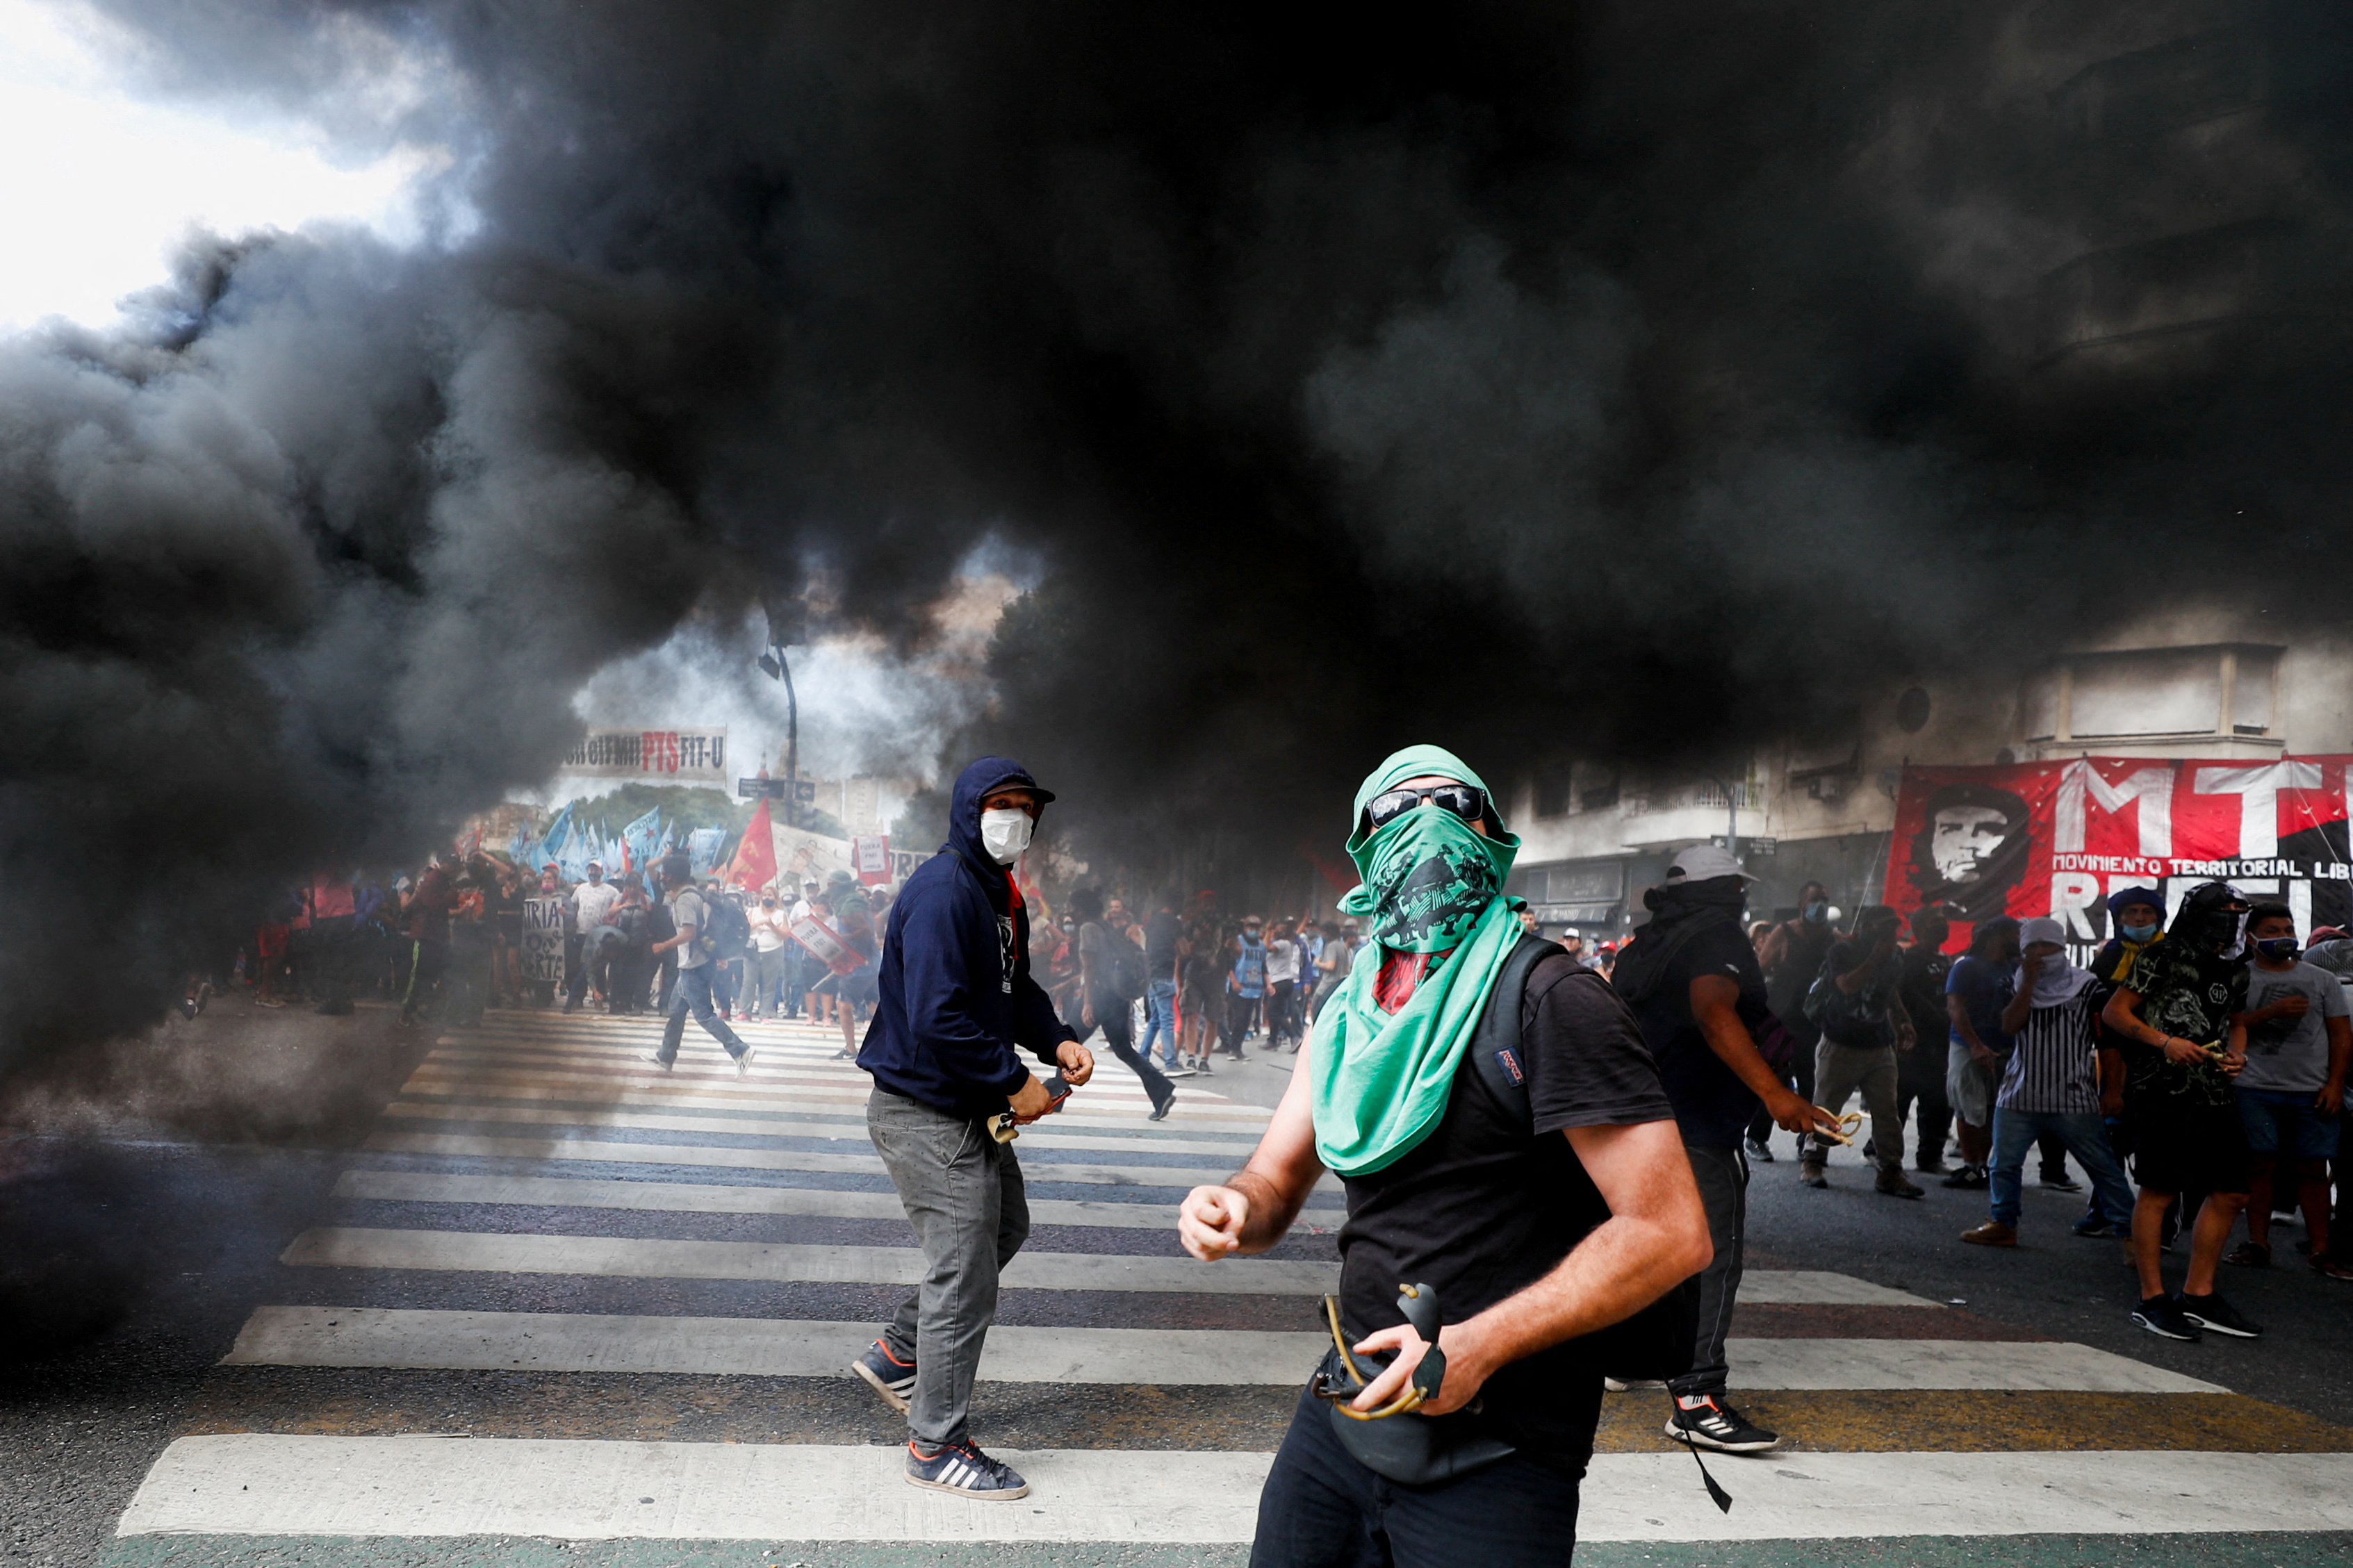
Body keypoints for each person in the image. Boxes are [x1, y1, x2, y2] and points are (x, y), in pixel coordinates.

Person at [1177, 745, 1709, 1566]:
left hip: (1498, 1439)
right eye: (1396, 809)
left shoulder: (1551, 998)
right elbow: (1275, 1177)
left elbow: (1670, 1230)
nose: (1427, 820)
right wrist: (1233, 1208)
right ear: (1363, 852)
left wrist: (1477, 1346)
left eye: (1454, 802)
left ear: (1491, 839)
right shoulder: (1347, 1008)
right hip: (1348, 1403)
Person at [851, 757, 1095, 1501]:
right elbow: (935, 1015)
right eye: (1002, 804)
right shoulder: (943, 892)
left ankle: (899, 1351)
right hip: (927, 1111)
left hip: (965, 1107)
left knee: (1004, 1227)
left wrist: (1054, 1039)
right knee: (963, 1275)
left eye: (1026, 806)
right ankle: (936, 1444)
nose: (1015, 817)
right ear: (968, 810)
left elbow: (1012, 990)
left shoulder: (998, 894)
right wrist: (1015, 1081)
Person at [1615, 844, 1838, 1455]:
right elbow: (1715, 1013)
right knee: (1710, 1254)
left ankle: (1628, 1355)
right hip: (1696, 1125)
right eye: (1737, 889)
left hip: (1637, 1122)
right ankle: (1696, 1398)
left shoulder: (1648, 943)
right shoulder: (1715, 935)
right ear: (1723, 891)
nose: (1742, 898)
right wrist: (1775, 1093)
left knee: (1645, 1243)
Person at [2101, 880, 2261, 1342]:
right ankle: (2152, 1298)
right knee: (2160, 1190)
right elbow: (2116, 1013)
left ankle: (2198, 1293)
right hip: (2161, 1090)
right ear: (2201, 912)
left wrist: (2238, 1054)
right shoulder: (2162, 954)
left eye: (2238, 909)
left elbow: (2237, 1023)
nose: (2232, 916)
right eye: (2225, 908)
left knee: (2232, 1190)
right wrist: (2165, 1041)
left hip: (2214, 1090)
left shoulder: (2236, 968)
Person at [1960, 917, 2136, 1247]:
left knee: (2103, 1169)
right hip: (2018, 1094)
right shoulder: (2012, 983)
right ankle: (2003, 1223)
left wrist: (2113, 1090)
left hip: (2073, 1097)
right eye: (2033, 947)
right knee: (2003, 1165)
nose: (2041, 953)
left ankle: (2131, 1235)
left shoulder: (2088, 987)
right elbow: (2009, 1026)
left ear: (2062, 948)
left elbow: (2108, 1044)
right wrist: (2027, 984)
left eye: (2048, 946)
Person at [2225, 902, 2352, 1277]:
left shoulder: (2322, 979)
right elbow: (2226, 1028)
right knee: (2259, 1165)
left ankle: (2321, 1250)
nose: (2282, 937)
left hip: (2310, 1090)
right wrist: (2270, 1012)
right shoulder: (2238, 978)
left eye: (2287, 929)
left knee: (2313, 1168)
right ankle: (2257, 1244)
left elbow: (2342, 1036)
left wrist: (2334, 1084)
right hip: (2253, 1088)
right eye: (2271, 931)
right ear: (2250, 938)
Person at [1799, 905, 1924, 1198]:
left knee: (1886, 1111)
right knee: (1827, 1108)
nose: (1891, 935)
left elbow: (1889, 990)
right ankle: (1813, 1162)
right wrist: (1874, 959)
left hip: (1879, 1043)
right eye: (1884, 928)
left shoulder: (1895, 955)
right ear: (1868, 926)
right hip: (1840, 1040)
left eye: (1894, 929)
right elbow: (1846, 985)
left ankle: (1890, 1171)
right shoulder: (1842, 952)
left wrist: (1903, 1021)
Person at [643, 856, 755, 1075]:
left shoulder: (685, 900)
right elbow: (649, 868)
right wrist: (669, 855)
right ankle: (665, 1056)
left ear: (673, 877)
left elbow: (690, 933)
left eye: (665, 873)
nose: (662, 877)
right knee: (676, 1010)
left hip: (694, 966)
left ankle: (740, 1050)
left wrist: (664, 945)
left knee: (704, 1015)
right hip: (696, 963)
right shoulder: (693, 894)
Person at [1072, 885, 1174, 1119]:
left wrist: (1088, 1003)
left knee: (1067, 1042)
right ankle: (1161, 1091)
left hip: (1097, 997)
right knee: (1124, 1050)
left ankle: (1051, 1094)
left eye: (1074, 908)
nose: (1072, 912)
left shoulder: (1089, 928)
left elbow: (1090, 966)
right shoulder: (1107, 927)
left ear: (1081, 909)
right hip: (1116, 997)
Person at [1751, 882, 1836, 1161]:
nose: (1820, 906)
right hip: (1782, 1017)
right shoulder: (1784, 932)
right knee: (1776, 1079)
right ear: (1802, 904)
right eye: (1814, 900)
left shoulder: (1831, 938)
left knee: (1812, 1082)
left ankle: (1808, 1141)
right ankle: (1756, 1138)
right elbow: (1760, 969)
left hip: (1813, 1020)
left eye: (1824, 899)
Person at [1943, 917, 2020, 1191]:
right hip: (1968, 1047)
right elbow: (1955, 1008)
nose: (2019, 940)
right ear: (1999, 935)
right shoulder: (1967, 967)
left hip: (2002, 1049)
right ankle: (1970, 1165)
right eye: (2015, 934)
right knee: (1969, 1108)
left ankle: (1982, 1166)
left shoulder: (2012, 967)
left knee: (1991, 1109)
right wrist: (1974, 1044)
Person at [1894, 907, 1956, 1174]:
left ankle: (1930, 1155)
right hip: (1914, 1040)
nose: (1942, 926)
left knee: (1939, 1102)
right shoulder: (1909, 959)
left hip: (1942, 1042)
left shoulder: (1948, 960)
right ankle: (1881, 1150)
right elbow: (1901, 996)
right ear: (1919, 928)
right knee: (1900, 1098)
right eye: (1935, 922)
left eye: (1943, 921)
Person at [397, 854, 457, 1028]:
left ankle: (431, 1010)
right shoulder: (432, 880)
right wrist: (453, 894)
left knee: (445, 974)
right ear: (443, 864)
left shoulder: (444, 880)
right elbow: (434, 904)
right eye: (452, 865)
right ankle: (407, 1011)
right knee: (417, 977)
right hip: (424, 935)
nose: (455, 869)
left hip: (438, 936)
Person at [1139, 897, 1188, 1075]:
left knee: (1156, 1019)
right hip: (1165, 974)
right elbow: (1185, 950)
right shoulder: (1175, 922)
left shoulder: (1151, 920)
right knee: (1167, 1020)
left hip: (1150, 973)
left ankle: (1143, 1056)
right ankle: (1171, 1062)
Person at [1179, 891, 1224, 1074]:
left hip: (1217, 974)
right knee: (1192, 1016)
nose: (1208, 907)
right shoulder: (1190, 924)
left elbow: (1234, 948)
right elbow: (1183, 951)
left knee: (1213, 1019)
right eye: (1205, 903)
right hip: (1195, 972)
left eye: (1212, 903)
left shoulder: (1222, 923)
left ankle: (1205, 1059)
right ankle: (1191, 1057)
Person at [746, 886, 793, 1020]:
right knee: (749, 982)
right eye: (765, 895)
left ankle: (765, 1012)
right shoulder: (753, 911)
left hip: (773, 951)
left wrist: (772, 926)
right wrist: (760, 923)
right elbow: (745, 928)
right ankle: (745, 1012)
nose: (767, 898)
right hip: (753, 951)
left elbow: (785, 935)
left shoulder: (781, 914)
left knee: (769, 984)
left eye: (770, 895)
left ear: (776, 899)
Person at [1224, 915, 1269, 1056]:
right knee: (1238, 1019)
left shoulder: (1262, 946)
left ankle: (1238, 1048)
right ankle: (1232, 1047)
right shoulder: (1238, 943)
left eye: (1255, 928)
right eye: (1250, 927)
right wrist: (1234, 981)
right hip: (1239, 986)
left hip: (1254, 988)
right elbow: (1229, 964)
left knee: (1246, 1020)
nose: (1253, 930)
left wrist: (1268, 984)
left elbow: (1263, 966)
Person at [1265, 917, 1302, 1050]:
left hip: (1279, 982)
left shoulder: (1282, 943)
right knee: (1274, 1011)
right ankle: (1272, 1040)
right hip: (1282, 981)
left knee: (1276, 1014)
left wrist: (1268, 931)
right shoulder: (1286, 943)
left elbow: (1267, 947)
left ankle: (1294, 1037)